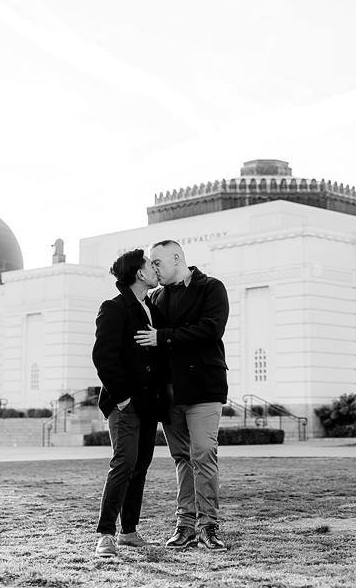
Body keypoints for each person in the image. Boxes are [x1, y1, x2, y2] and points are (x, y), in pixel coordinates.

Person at [135, 239, 230, 551]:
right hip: (168, 391)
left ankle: (208, 526)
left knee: (203, 453)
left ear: (176, 258)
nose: (154, 269)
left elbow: (210, 330)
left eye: (157, 263)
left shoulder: (211, 287)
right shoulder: (155, 297)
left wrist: (163, 337)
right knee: (181, 458)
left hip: (202, 387)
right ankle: (185, 526)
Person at [91, 249, 166, 558]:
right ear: (139, 273)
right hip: (125, 404)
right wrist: (122, 398)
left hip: (149, 403)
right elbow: (103, 357)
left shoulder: (152, 309)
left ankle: (129, 532)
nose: (156, 269)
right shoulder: (114, 308)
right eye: (151, 264)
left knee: (140, 467)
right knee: (123, 464)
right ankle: (105, 535)